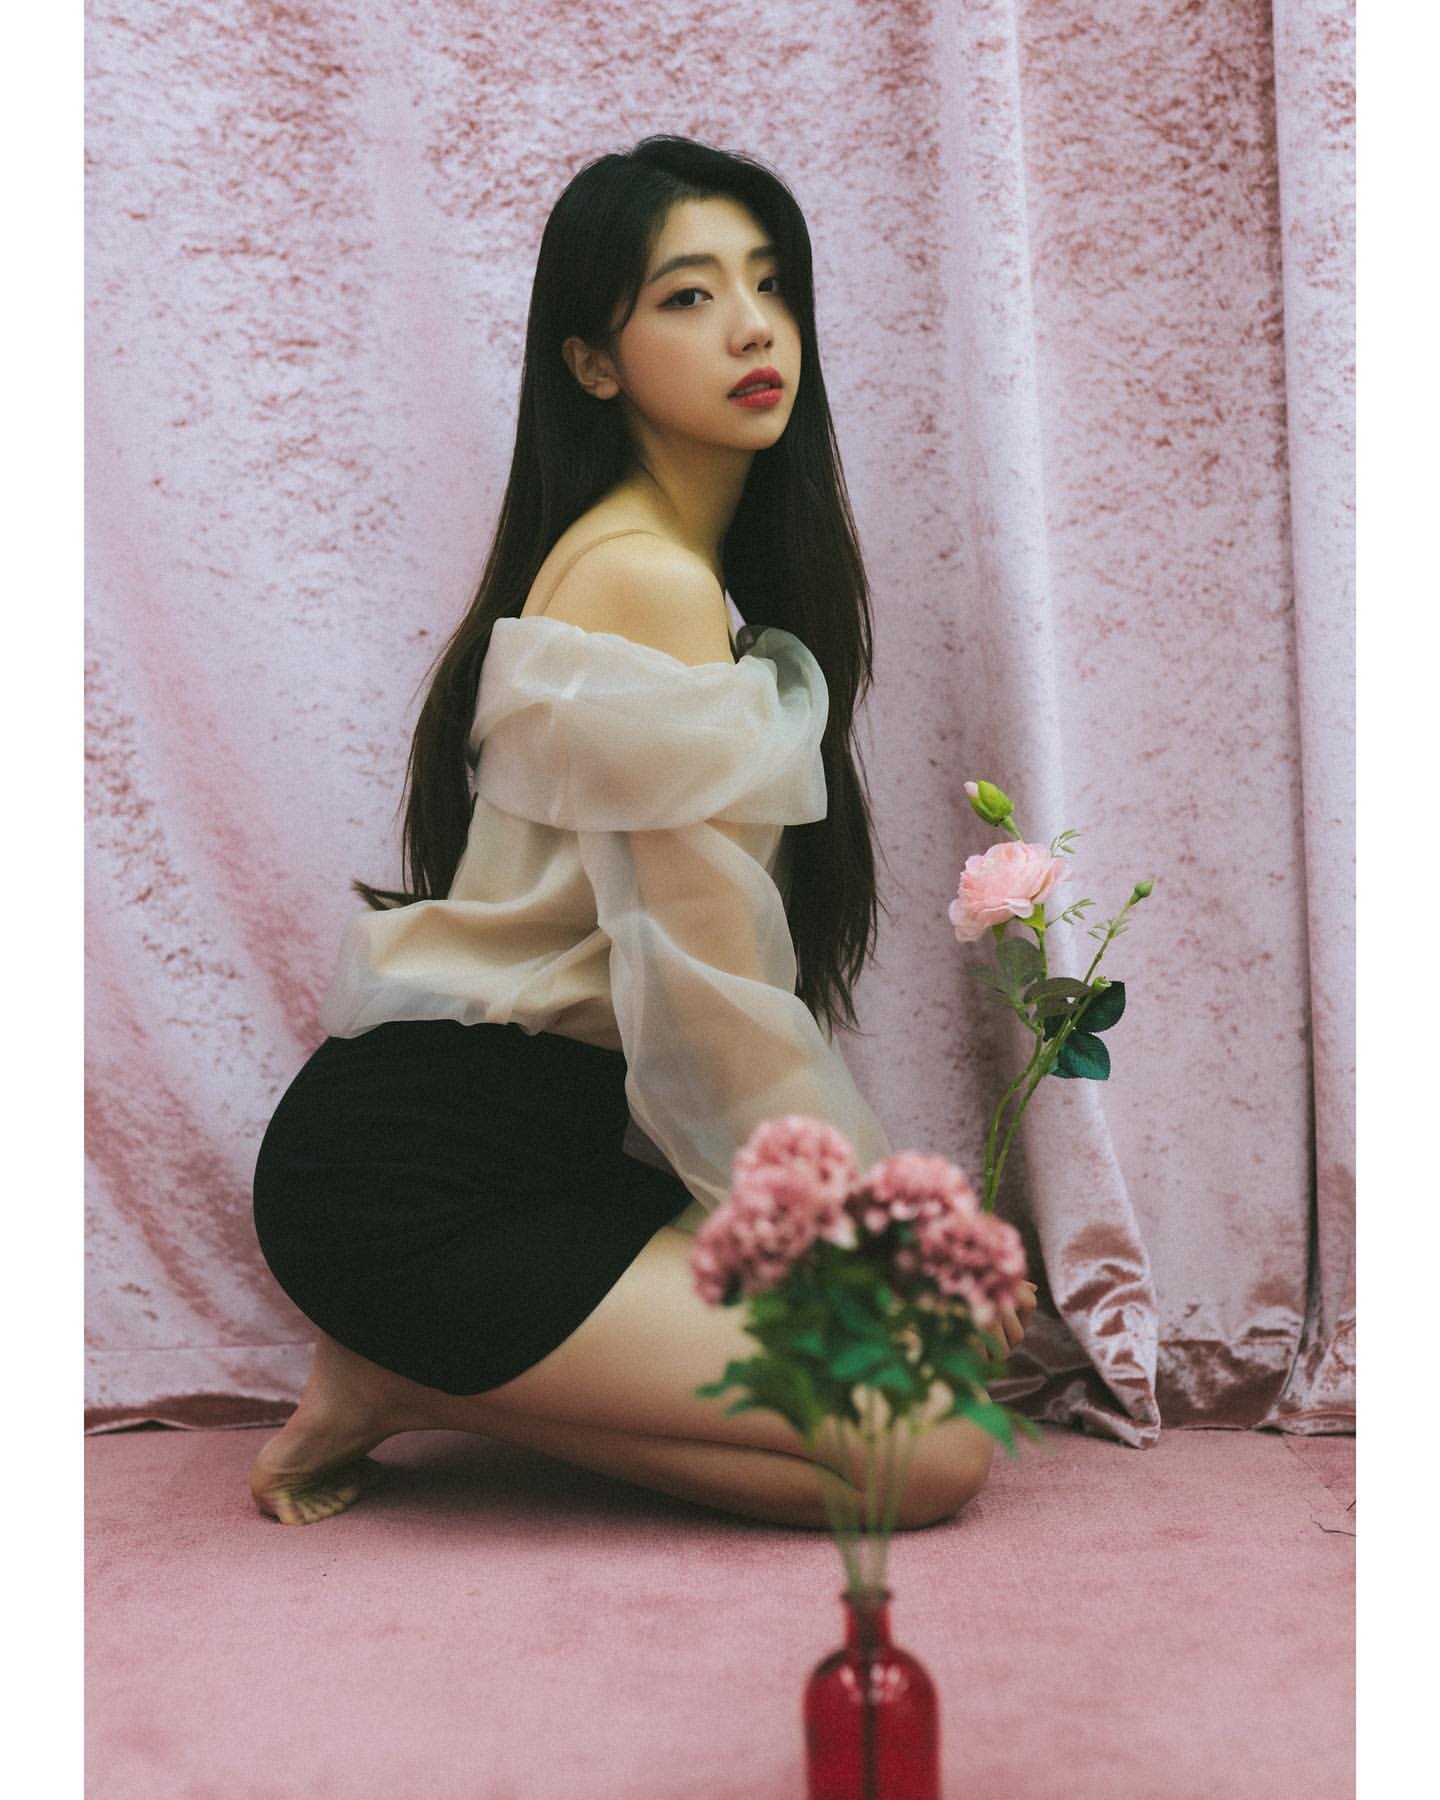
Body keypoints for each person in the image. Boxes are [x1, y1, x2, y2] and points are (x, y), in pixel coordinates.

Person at [248, 134, 1037, 1532]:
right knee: (934, 1447)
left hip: (543, 1161)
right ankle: (407, 1374)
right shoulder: (645, 580)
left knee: (936, 1370)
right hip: (414, 1183)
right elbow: (709, 994)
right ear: (592, 362)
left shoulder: (665, 568)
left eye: (770, 283)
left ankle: (420, 1369)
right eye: (686, 295)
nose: (753, 327)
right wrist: (872, 1229)